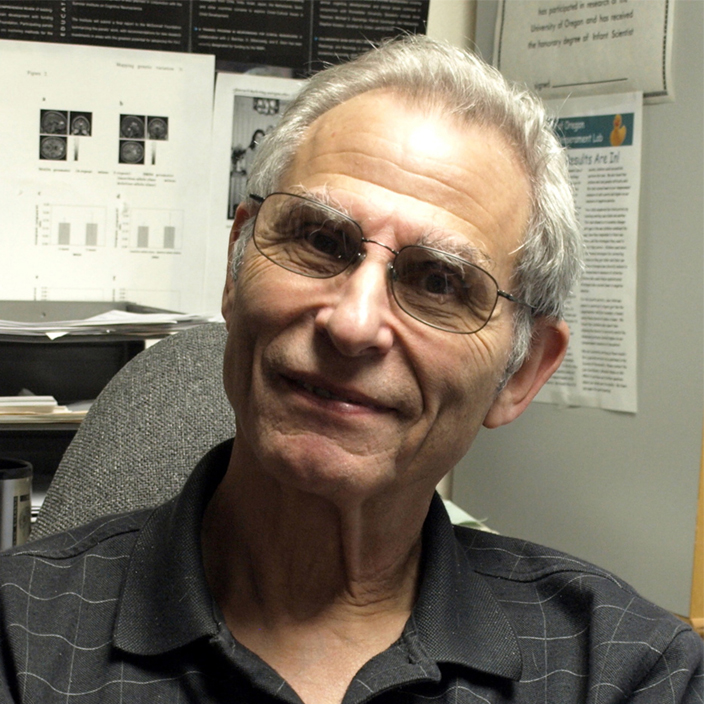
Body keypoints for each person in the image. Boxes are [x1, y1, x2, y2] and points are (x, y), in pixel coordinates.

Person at [1, 35, 702, 703]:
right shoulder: (20, 639)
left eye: (439, 283)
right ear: (235, 262)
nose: (353, 322)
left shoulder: (626, 672)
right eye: (319, 239)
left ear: (522, 373)